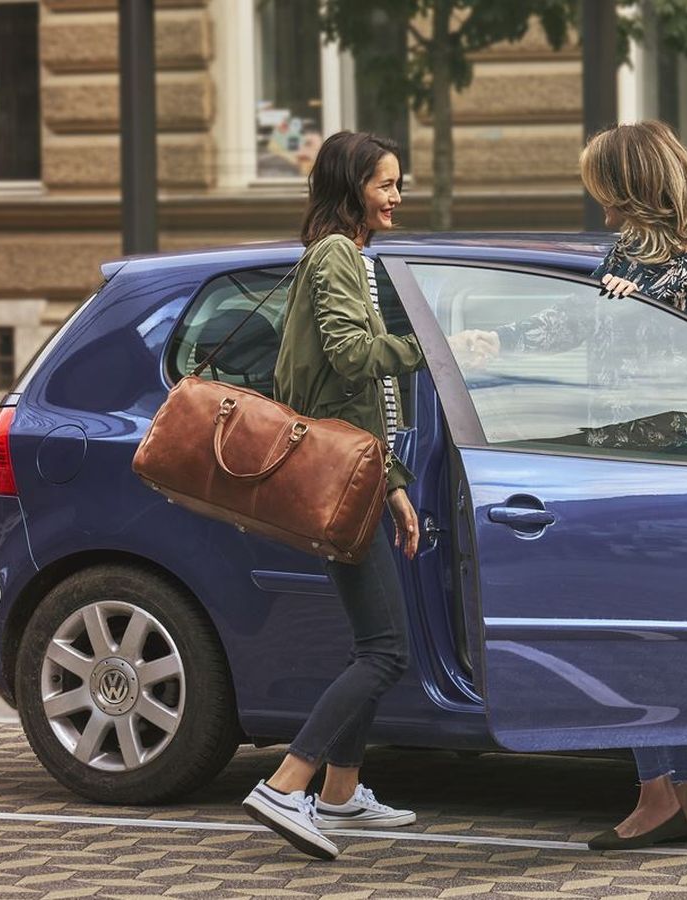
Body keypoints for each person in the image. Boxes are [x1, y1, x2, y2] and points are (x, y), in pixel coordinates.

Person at [459, 121, 687, 850]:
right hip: (613, 465)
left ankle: (657, 797)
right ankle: (684, 796)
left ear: (640, 189)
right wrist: (501, 340)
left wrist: (633, 303)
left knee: (637, 639)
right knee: (645, 635)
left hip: (663, 476)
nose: (605, 214)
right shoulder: (629, 254)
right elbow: (572, 321)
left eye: (610, 196)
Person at [240, 130, 463, 861]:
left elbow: (359, 404)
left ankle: (339, 792)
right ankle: (286, 785)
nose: (397, 196)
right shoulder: (337, 254)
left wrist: (392, 487)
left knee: (373, 644)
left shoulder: (346, 256)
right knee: (385, 651)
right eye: (384, 184)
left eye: (399, 183)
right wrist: (439, 351)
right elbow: (350, 357)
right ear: (350, 188)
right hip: (339, 478)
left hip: (357, 477)